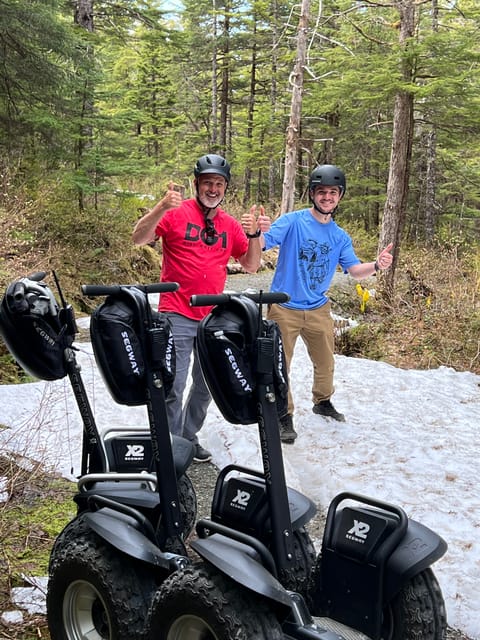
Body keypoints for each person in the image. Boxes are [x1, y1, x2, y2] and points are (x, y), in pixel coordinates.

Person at [132, 153, 269, 461]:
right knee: (174, 385)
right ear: (196, 184)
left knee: (205, 387)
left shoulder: (230, 225)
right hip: (176, 311)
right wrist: (161, 207)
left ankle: (187, 438)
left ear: (225, 188)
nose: (213, 189)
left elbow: (250, 265)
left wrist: (255, 236)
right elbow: (139, 238)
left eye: (218, 184)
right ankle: (170, 446)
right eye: (207, 182)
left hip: (212, 320)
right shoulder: (176, 212)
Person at [262, 164, 393, 443]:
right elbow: (263, 242)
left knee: (325, 362)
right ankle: (284, 415)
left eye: (333, 193)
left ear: (340, 197)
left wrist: (376, 266)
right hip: (284, 305)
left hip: (319, 307)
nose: (327, 197)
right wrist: (255, 232)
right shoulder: (293, 221)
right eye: (322, 192)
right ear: (312, 194)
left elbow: (355, 270)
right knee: (280, 365)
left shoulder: (340, 236)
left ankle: (323, 401)